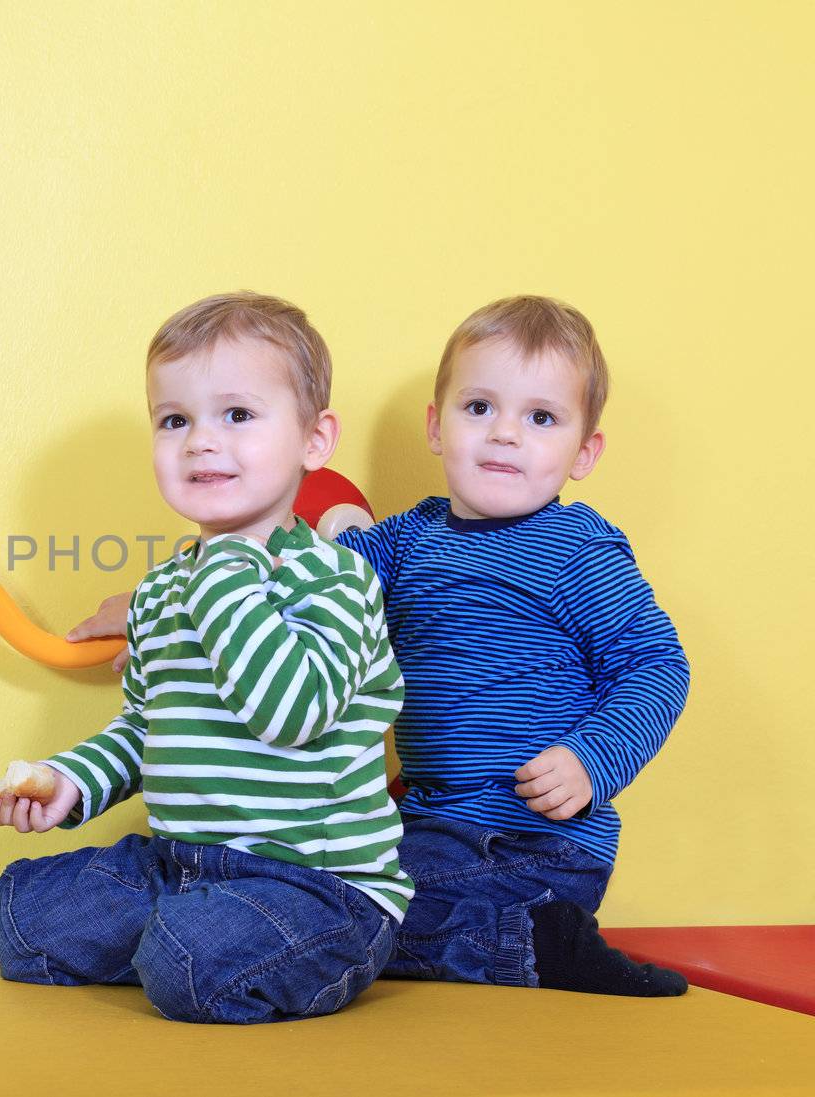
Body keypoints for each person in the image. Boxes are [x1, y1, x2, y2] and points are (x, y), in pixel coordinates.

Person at [67, 295, 689, 996]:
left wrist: (591, 756)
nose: (505, 434)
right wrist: (161, 607)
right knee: (316, 888)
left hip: (530, 839)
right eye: (479, 407)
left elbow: (656, 666)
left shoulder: (578, 551)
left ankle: (529, 940)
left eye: (541, 418)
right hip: (425, 822)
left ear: (585, 451)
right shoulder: (405, 540)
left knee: (344, 903)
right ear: (436, 425)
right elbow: (286, 570)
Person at [0, 292, 410, 1024]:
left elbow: (293, 712)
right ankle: (172, 937)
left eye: (237, 415)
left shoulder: (336, 579)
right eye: (174, 420)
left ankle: (221, 948)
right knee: (24, 917)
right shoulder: (160, 590)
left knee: (190, 956)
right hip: (182, 865)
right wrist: (69, 781)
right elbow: (147, 726)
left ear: (315, 440)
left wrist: (223, 572)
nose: (200, 441)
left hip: (318, 885)